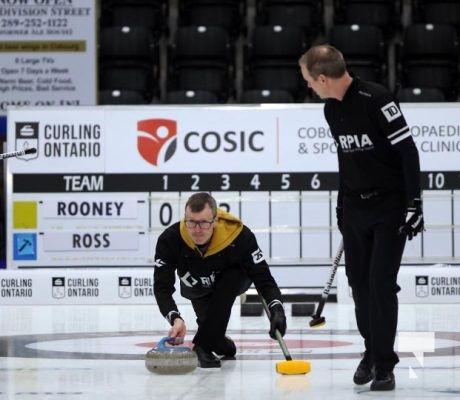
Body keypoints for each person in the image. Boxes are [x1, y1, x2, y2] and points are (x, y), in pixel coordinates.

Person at [298, 45, 424, 391]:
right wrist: (342, 206)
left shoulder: (376, 99)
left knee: (381, 284)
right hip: (355, 208)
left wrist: (415, 202)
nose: (308, 85)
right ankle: (372, 350)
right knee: (358, 284)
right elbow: (346, 160)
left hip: (390, 207)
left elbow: (407, 151)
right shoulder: (330, 109)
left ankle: (384, 364)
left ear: (323, 77)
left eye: (309, 79)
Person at [153, 192, 287, 369]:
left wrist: (276, 308)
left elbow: (263, 278)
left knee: (232, 275)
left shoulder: (239, 236)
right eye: (191, 222)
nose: (196, 229)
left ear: (215, 220)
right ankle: (220, 343)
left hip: (233, 281)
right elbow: (162, 286)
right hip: (197, 286)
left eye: (203, 223)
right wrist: (175, 317)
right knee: (213, 335)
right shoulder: (170, 239)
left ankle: (202, 346)